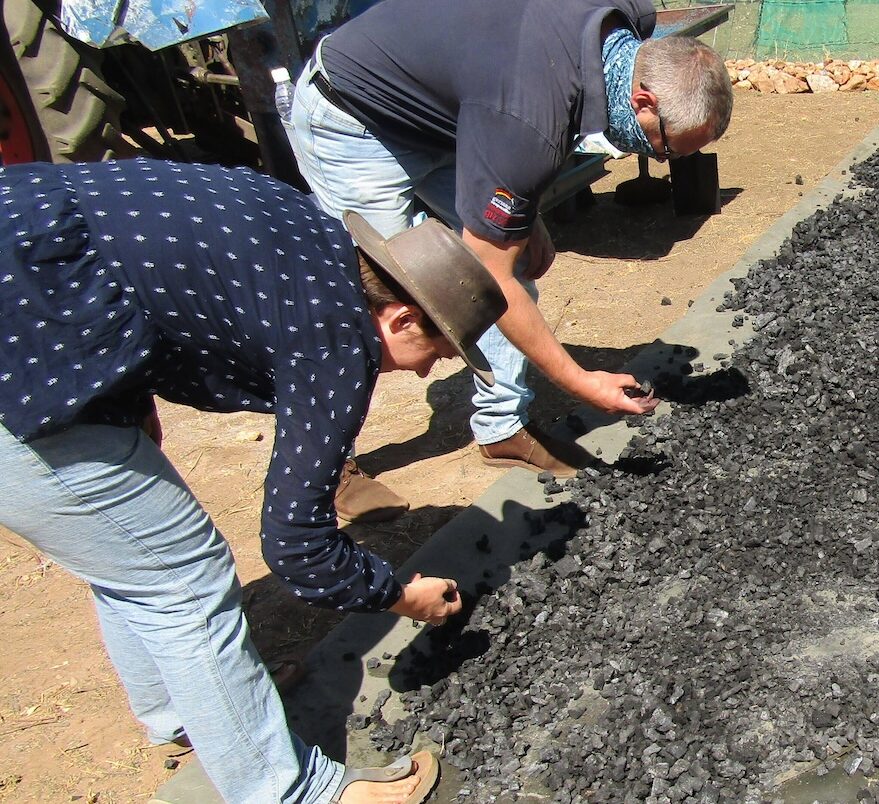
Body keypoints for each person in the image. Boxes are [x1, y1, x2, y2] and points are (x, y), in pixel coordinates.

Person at [0, 158, 509, 803]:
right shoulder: (335, 337)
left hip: (33, 284)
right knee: (182, 579)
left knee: (129, 556)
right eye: (436, 351)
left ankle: (185, 717)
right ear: (402, 318)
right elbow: (298, 548)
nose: (423, 372)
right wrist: (402, 594)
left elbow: (134, 268)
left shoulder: (309, 239)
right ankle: (289, 791)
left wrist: (122, 401)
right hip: (17, 352)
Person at [285, 0, 733, 502]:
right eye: (665, 147)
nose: (656, 156)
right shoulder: (528, 122)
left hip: (454, 113)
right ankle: (325, 464)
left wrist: (524, 211)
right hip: (356, 113)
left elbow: (508, 123)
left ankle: (501, 428)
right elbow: (488, 274)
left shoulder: (627, 19)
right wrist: (579, 381)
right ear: (644, 101)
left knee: (508, 257)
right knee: (382, 299)